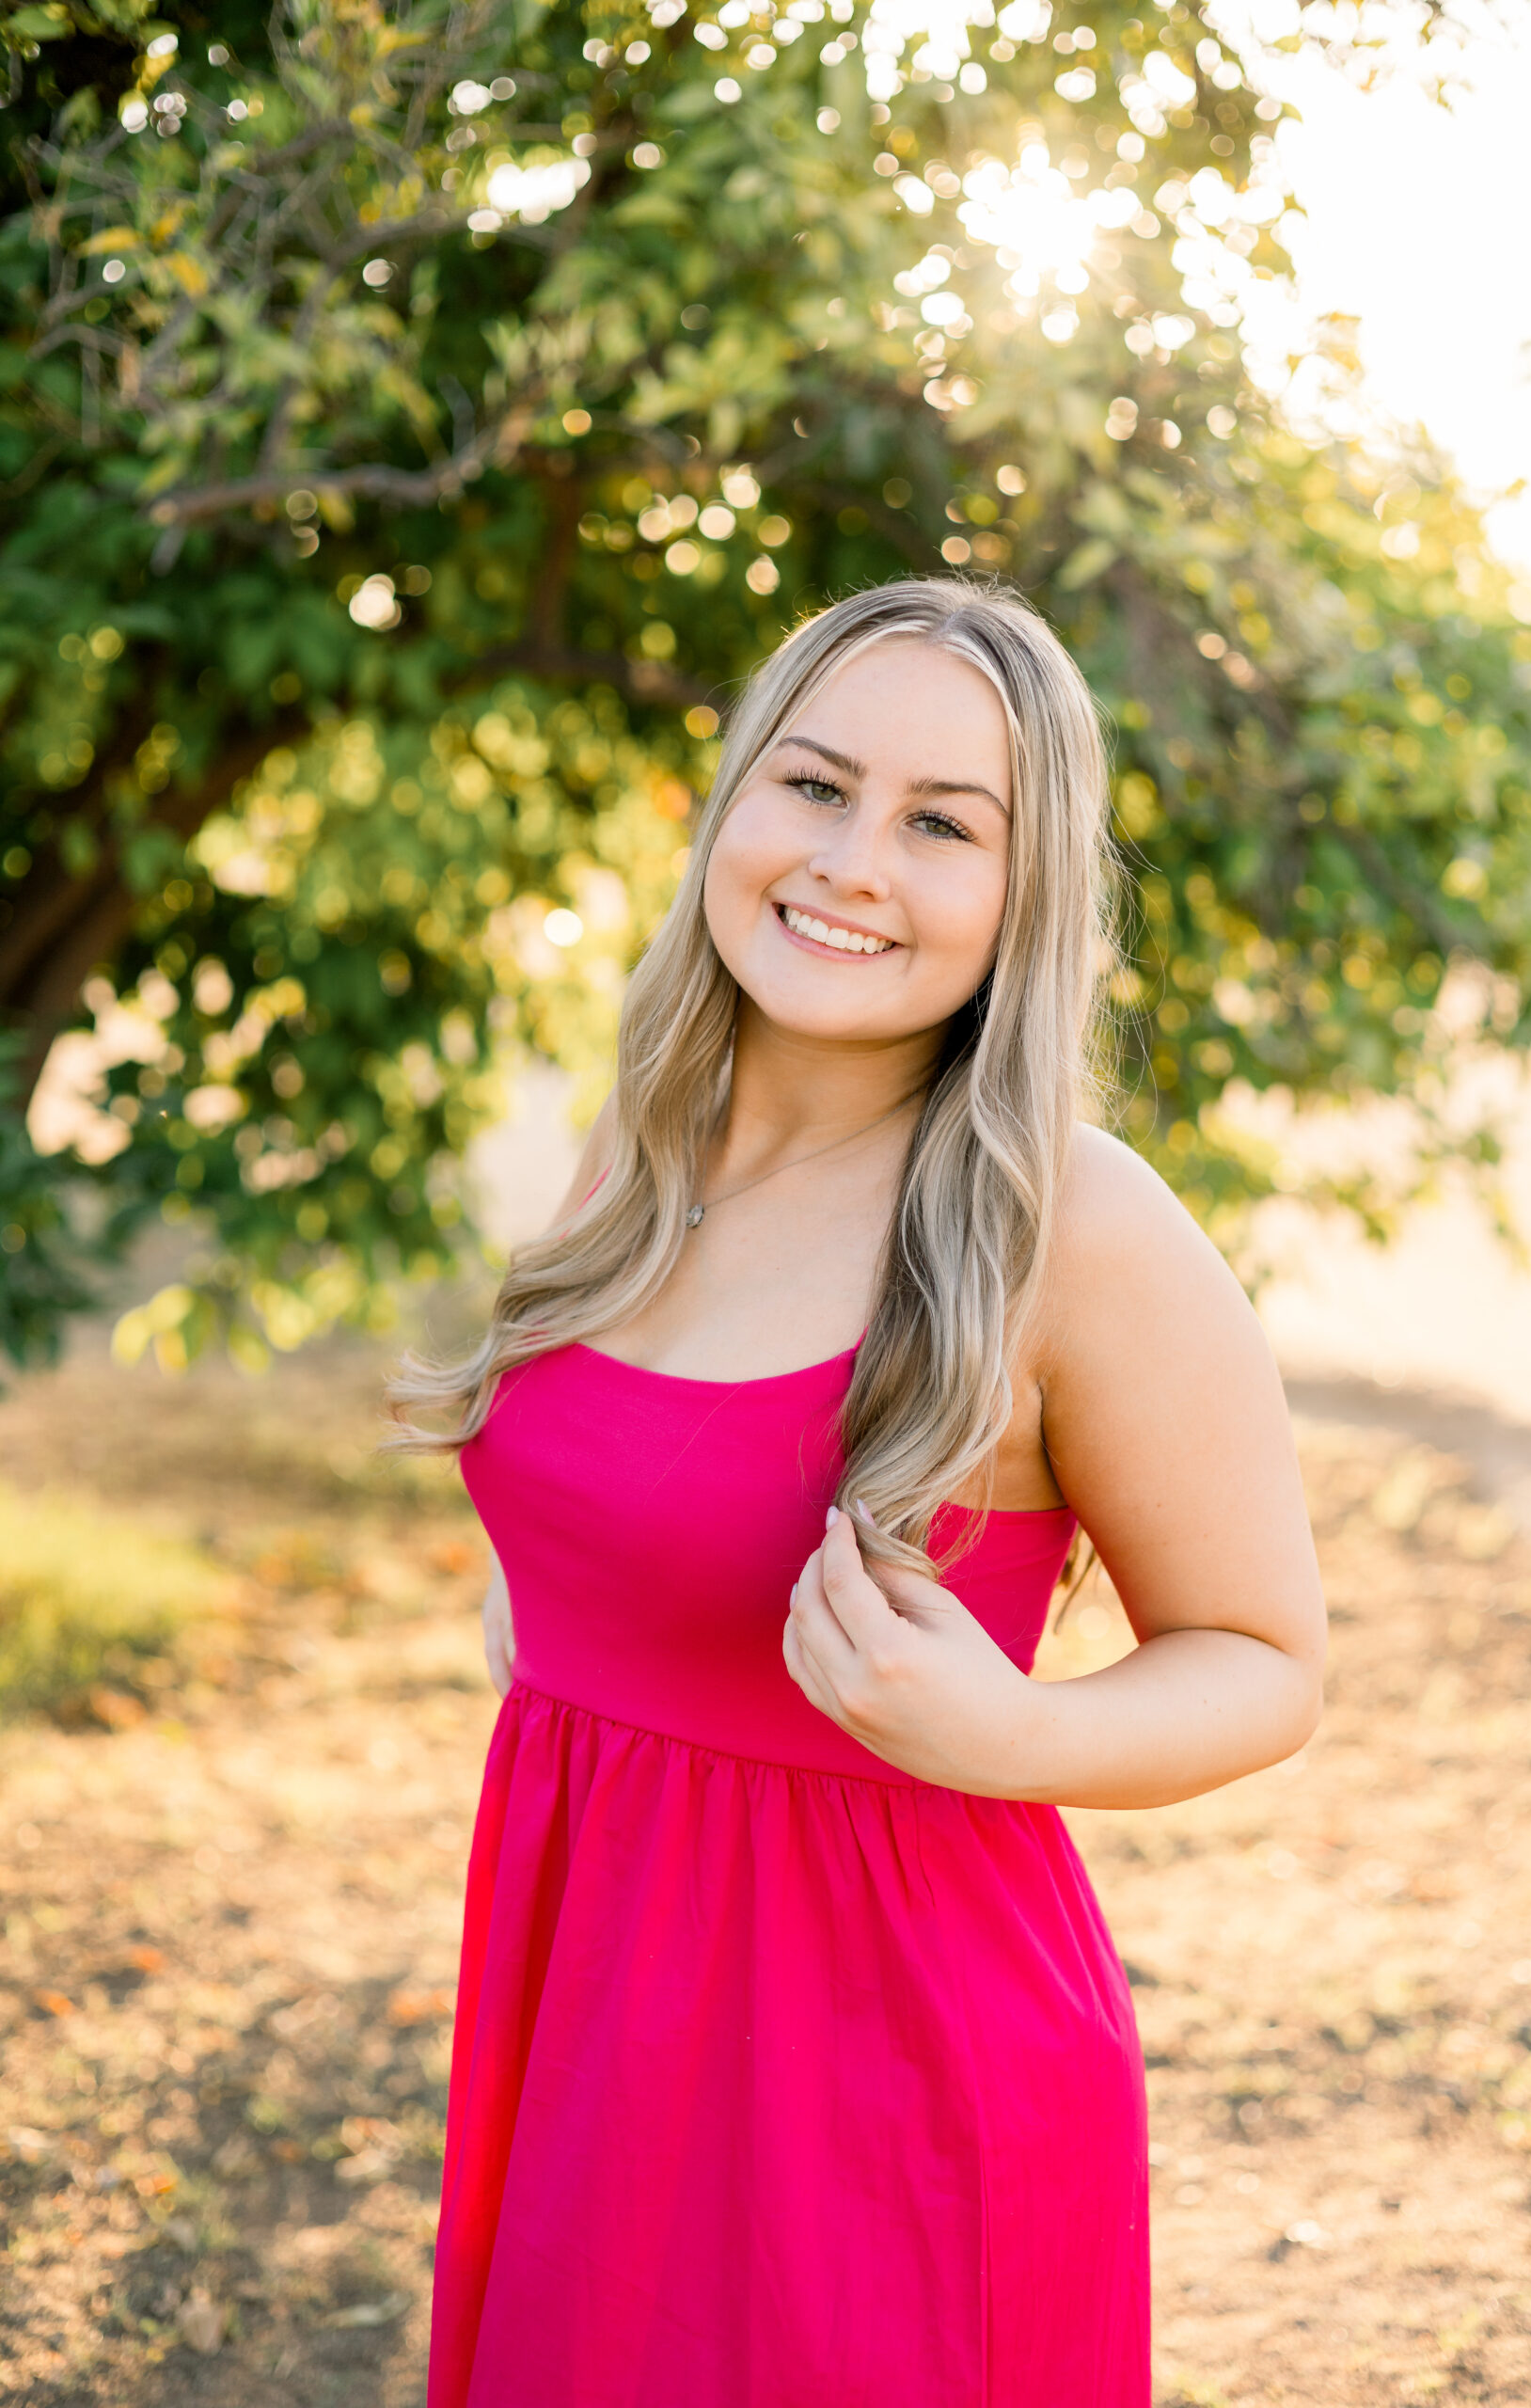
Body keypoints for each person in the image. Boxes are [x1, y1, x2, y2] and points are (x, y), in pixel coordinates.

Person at [392, 577, 1327, 2408]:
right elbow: (590, 1527)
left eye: (938, 823)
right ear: (730, 801)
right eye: (812, 785)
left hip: (886, 2067)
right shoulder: (646, 1136)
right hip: (592, 2002)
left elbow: (1262, 1657)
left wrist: (1003, 1725)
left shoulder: (1067, 1223)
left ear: (1020, 889)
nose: (851, 860)